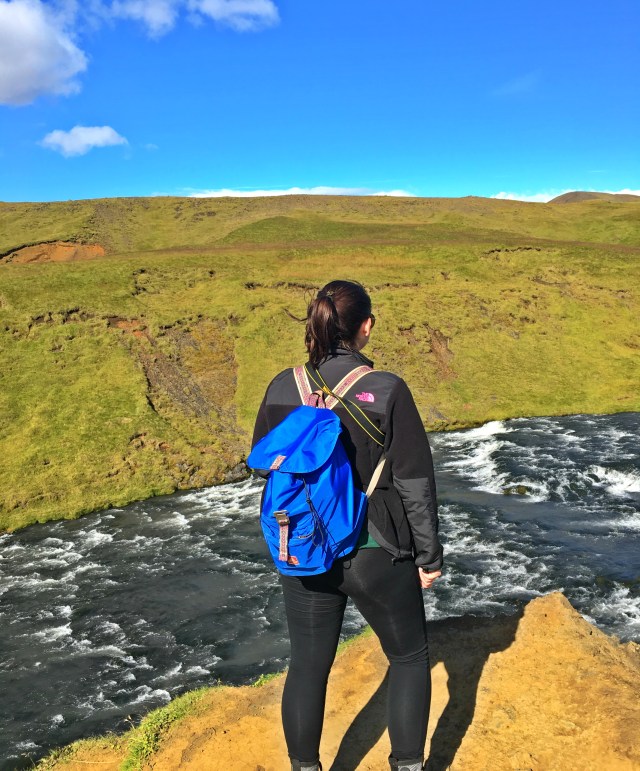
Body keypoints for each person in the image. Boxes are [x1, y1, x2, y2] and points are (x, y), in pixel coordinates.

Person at [251, 279, 443, 771]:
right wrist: (429, 557)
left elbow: (262, 464)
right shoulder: (387, 390)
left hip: (305, 547)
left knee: (309, 665)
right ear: (366, 327)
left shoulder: (281, 386)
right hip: (375, 549)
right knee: (408, 657)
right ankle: (405, 766)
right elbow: (415, 483)